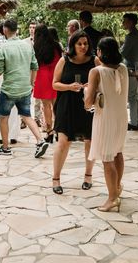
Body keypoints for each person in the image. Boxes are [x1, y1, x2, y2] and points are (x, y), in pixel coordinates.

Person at [0, 19, 49, 158]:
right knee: (26, 116)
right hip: (25, 87)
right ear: (16, 30)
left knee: (4, 117)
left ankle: (5, 148)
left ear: (5, 30)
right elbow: (34, 66)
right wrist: (31, 83)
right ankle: (40, 141)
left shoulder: (2, 48)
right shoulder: (27, 46)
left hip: (8, 89)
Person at [84, 37, 128, 212]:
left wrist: (87, 90)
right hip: (121, 116)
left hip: (105, 118)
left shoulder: (96, 72)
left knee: (107, 158)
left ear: (100, 52)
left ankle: (112, 198)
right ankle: (116, 188)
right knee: (118, 152)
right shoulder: (123, 68)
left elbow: (88, 103)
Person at [51, 30, 95, 194]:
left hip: (88, 105)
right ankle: (56, 178)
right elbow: (54, 84)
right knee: (63, 142)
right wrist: (69, 87)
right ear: (73, 45)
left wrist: (90, 88)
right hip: (67, 104)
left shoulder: (94, 61)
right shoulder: (64, 61)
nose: (83, 47)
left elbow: (102, 81)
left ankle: (88, 176)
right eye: (79, 44)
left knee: (89, 141)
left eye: (85, 43)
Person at [0, 22, 20, 144]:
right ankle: (13, 134)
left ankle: (2, 135)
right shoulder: (18, 43)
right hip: (14, 75)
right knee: (14, 106)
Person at [33, 24, 62, 143]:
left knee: (46, 106)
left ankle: (49, 131)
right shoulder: (56, 45)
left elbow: (35, 64)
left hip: (42, 76)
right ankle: (59, 130)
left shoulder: (36, 47)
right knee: (57, 105)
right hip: (55, 75)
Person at [121, 13, 138, 132]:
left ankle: (134, 122)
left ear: (131, 22)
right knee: (136, 96)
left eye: (125, 21)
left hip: (132, 69)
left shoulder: (130, 37)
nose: (123, 23)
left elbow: (124, 53)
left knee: (131, 96)